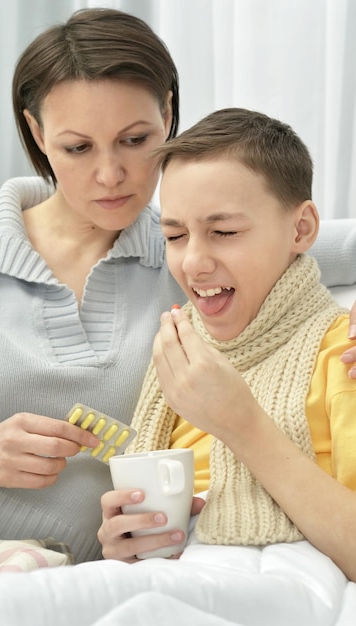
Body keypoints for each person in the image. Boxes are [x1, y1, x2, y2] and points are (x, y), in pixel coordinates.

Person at [0, 8, 355, 568]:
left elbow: (302, 239)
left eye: (134, 140)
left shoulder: (188, 252)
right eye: (78, 148)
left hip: (90, 578)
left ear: (167, 114)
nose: (111, 175)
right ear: (38, 134)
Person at [98, 108, 356, 582]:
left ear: (300, 230)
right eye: (174, 235)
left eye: (225, 233)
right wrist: (127, 545)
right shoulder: (179, 363)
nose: (193, 262)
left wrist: (240, 423)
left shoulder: (344, 353)